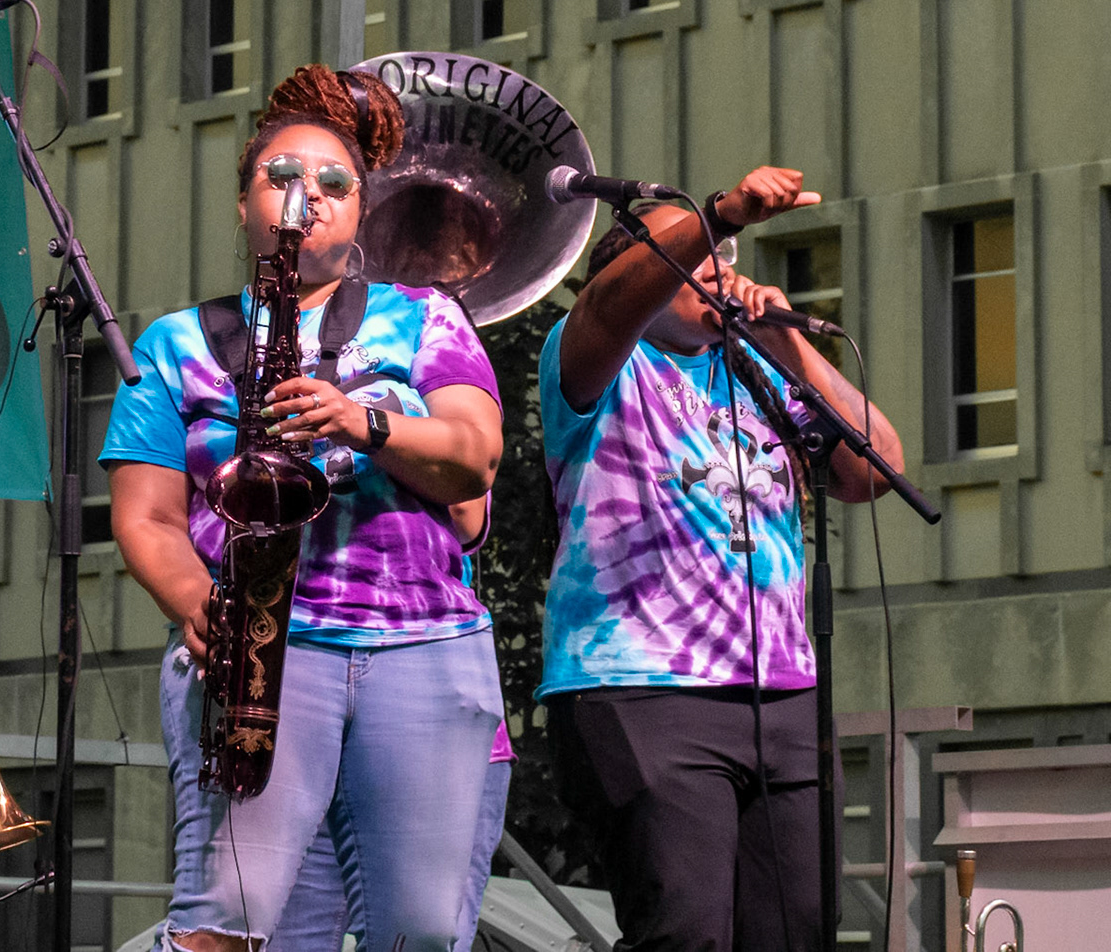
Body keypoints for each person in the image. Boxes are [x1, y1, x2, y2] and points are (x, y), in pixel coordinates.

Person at [103, 65, 507, 952]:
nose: (306, 198)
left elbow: (475, 459)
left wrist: (362, 421)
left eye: (333, 185)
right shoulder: (178, 343)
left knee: (422, 931)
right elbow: (146, 516)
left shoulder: (424, 318)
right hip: (263, 648)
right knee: (225, 924)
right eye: (280, 178)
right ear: (243, 204)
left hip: (423, 643)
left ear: (361, 211)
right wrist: (196, 603)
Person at [539, 167, 905, 951]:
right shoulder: (600, 361)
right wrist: (719, 211)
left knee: (797, 929)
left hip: (783, 693)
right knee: (687, 930)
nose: (718, 266)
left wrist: (788, 347)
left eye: (724, 252)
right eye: (693, 254)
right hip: (644, 688)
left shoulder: (757, 372)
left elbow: (874, 471)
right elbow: (608, 304)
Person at [268, 501, 513, 952]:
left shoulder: (447, 427)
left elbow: (463, 511)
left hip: (422, 717)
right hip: (296, 701)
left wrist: (368, 434)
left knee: (413, 940)